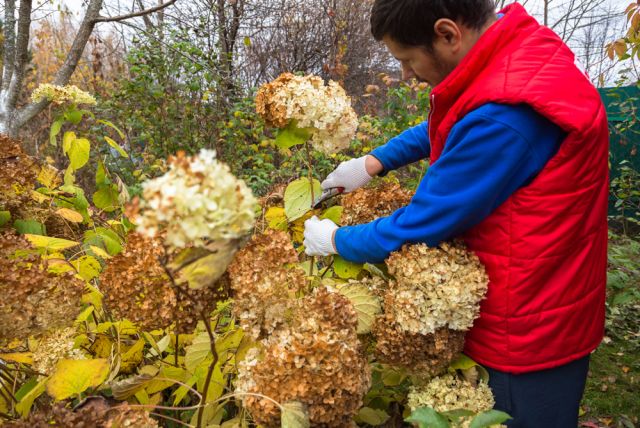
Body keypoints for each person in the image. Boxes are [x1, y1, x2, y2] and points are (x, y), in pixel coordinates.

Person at [302, 1, 609, 426]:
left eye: (407, 60)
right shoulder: (518, 58)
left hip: (524, 332)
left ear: (447, 34)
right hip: (550, 293)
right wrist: (373, 162)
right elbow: (454, 119)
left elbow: (420, 224)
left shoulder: (507, 121)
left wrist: (335, 240)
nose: (407, 74)